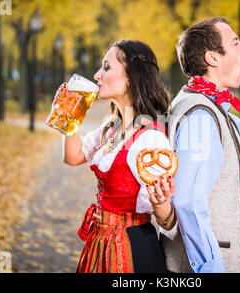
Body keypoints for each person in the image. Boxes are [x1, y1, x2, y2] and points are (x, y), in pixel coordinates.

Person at [159, 17, 240, 273]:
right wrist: (212, 268)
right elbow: (186, 204)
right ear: (213, 58)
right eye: (236, 43)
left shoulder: (208, 106)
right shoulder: (200, 116)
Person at [61, 40, 177, 273]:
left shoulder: (150, 140)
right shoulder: (112, 127)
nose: (96, 75)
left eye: (106, 67)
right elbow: (73, 157)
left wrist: (160, 204)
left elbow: (170, 223)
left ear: (131, 78)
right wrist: (70, 118)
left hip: (132, 250)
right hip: (100, 243)